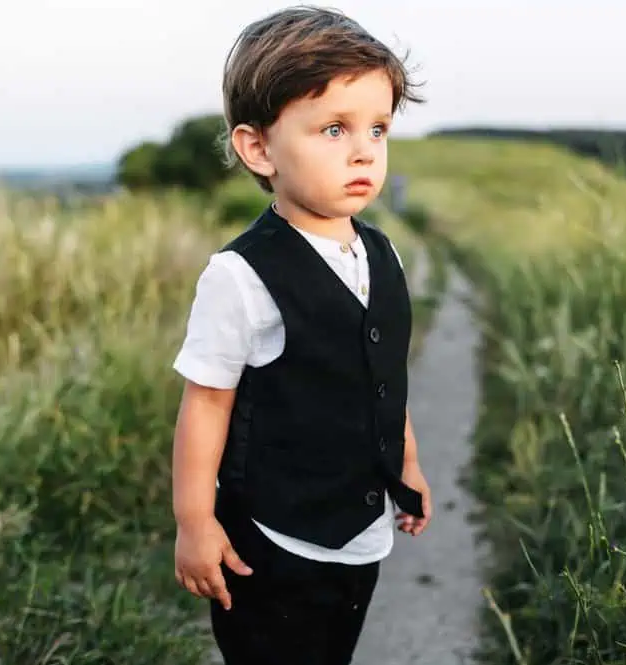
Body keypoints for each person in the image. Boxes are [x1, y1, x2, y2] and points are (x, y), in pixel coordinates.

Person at [169, 6, 433, 664]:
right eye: (334, 128)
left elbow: (384, 380)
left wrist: (407, 462)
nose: (365, 149)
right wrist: (195, 523)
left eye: (378, 127)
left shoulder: (384, 255)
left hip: (362, 538)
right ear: (259, 147)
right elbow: (206, 405)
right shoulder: (240, 276)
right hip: (270, 544)